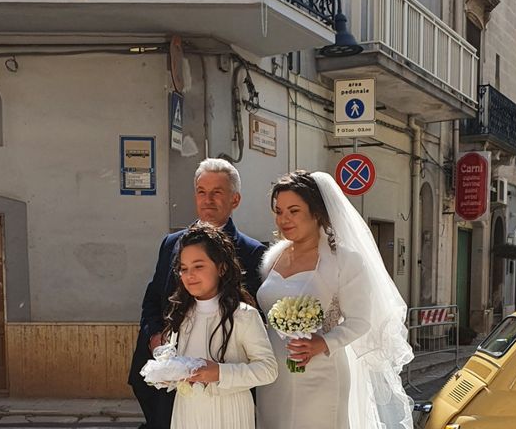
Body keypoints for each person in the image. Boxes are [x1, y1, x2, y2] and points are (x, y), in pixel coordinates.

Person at [256, 170, 414, 429]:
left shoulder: (344, 260)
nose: (283, 219)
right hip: (274, 374)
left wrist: (324, 343)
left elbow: (361, 320)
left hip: (320, 372)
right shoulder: (274, 257)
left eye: (293, 211)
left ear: (317, 212)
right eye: (278, 211)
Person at [128, 158, 266, 429]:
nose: (208, 199)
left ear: (235, 200)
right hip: (167, 381)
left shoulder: (252, 253)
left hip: (221, 387)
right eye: (201, 191)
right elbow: (154, 298)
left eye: (217, 192)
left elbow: (255, 323)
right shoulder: (171, 244)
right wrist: (155, 336)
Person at [162, 223, 277, 428]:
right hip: (187, 412)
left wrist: (220, 373)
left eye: (198, 266)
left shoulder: (244, 316)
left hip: (229, 413)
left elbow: (268, 369)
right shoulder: (182, 314)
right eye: (184, 269)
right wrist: (167, 374)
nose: (190, 275)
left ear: (221, 268)